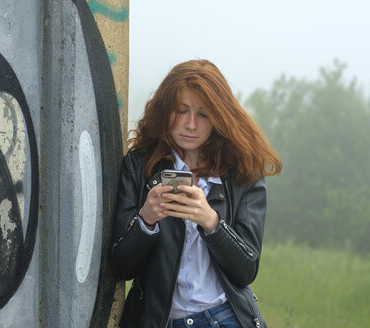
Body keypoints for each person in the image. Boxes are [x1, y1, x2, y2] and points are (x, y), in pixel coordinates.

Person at [111, 59, 282, 328]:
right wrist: (146, 219)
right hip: (162, 321)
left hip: (225, 318)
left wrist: (211, 222)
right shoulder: (139, 167)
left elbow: (246, 269)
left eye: (203, 114)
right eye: (181, 111)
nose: (191, 124)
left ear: (219, 117)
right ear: (166, 111)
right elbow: (121, 267)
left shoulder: (242, 172)